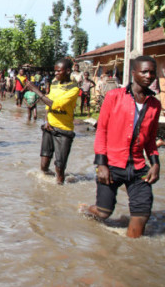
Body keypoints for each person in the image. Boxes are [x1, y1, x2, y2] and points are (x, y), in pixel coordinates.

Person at [83, 56, 160, 238]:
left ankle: (130, 258)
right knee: (104, 212)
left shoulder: (155, 105)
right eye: (144, 71)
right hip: (111, 165)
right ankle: (87, 210)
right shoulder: (114, 96)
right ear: (133, 73)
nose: (149, 75)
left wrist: (155, 164)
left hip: (138, 168)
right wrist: (101, 164)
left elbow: (150, 140)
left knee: (142, 214)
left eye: (152, 72)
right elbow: (101, 130)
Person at [25, 58, 79, 185]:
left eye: (58, 71)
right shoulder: (54, 83)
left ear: (67, 71)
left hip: (64, 130)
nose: (55, 74)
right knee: (43, 166)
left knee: (59, 169)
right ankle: (46, 193)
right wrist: (46, 120)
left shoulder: (74, 89)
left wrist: (36, 90)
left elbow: (54, 104)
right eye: (55, 71)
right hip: (49, 127)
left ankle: (60, 191)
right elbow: (48, 104)